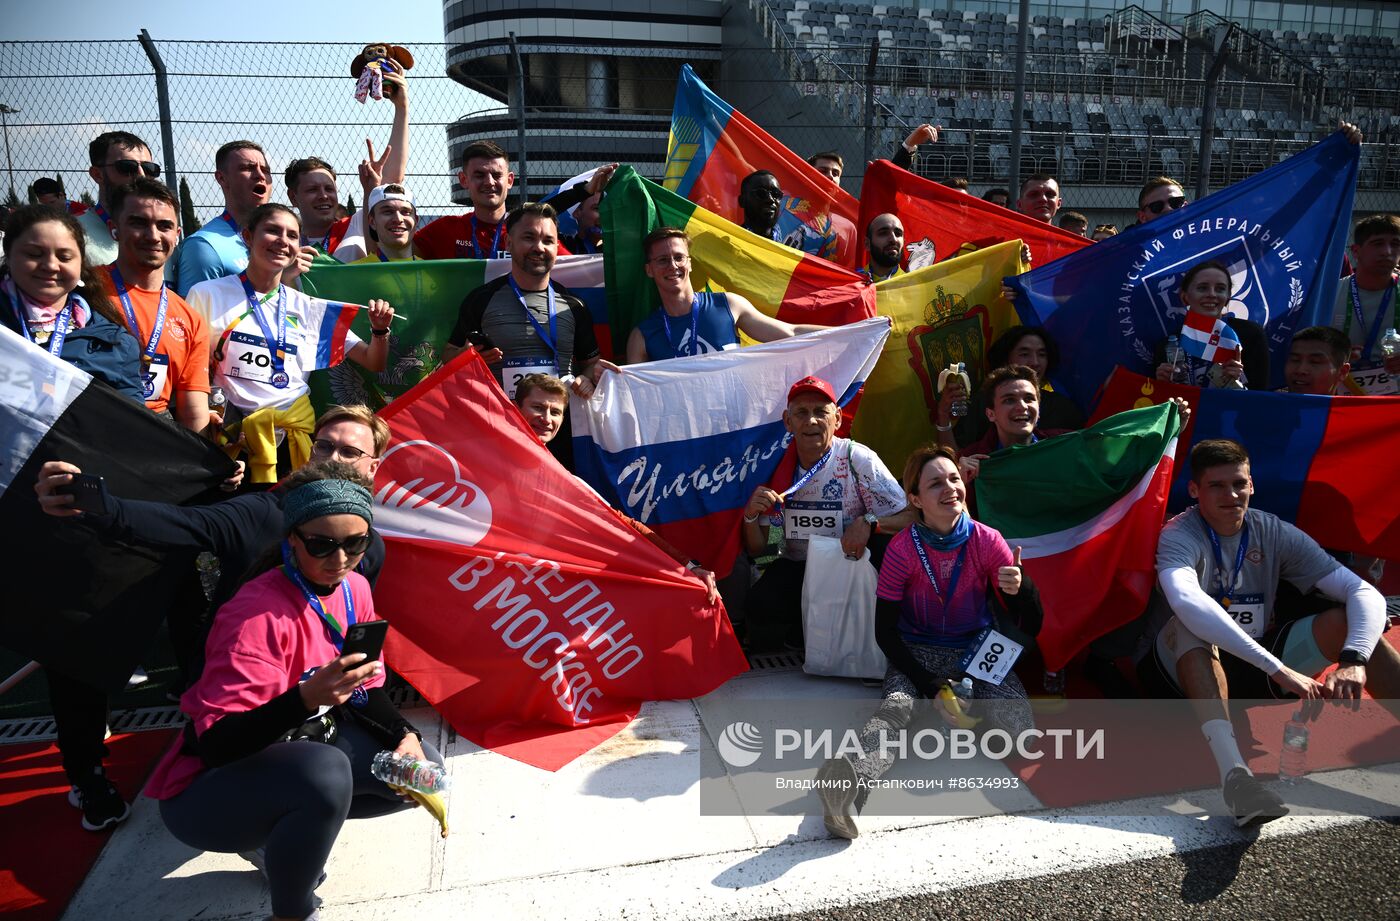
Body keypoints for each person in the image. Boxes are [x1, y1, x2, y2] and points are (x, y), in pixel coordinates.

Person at [144, 470, 443, 921]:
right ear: (292, 540)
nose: (340, 559)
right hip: (206, 794)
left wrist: (405, 733)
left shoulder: (354, 588)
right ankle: (291, 909)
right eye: (321, 544)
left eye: (356, 544)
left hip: (299, 751)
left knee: (423, 774)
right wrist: (303, 698)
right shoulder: (252, 617)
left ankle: (289, 834)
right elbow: (217, 746)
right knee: (325, 774)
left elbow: (363, 688)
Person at [1139, 439, 1395, 827]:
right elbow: (1188, 602)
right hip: (1181, 672)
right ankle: (1237, 780)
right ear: (1195, 490)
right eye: (1217, 486)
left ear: (1252, 485)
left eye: (1239, 484)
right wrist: (1277, 668)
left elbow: (1362, 592)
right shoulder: (1178, 534)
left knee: (1353, 623)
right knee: (1189, 625)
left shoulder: (1272, 530)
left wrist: (1354, 659)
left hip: (1258, 665)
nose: (1231, 495)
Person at [815, 445, 1041, 839]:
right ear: (915, 500)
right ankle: (844, 783)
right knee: (896, 712)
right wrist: (929, 686)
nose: (950, 488)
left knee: (1018, 736)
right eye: (935, 483)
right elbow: (885, 632)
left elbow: (1031, 624)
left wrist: (1024, 589)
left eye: (954, 479)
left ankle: (958, 713)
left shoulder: (988, 541)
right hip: (916, 653)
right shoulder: (902, 550)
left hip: (975, 653)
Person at [187, 203, 393, 483]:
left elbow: (373, 360)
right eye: (272, 231)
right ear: (247, 237)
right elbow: (192, 370)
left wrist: (380, 331)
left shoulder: (308, 306)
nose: (283, 241)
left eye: (292, 235)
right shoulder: (207, 293)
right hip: (233, 436)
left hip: (294, 440)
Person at [740, 376, 916, 650]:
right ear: (788, 422)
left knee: (887, 546)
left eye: (821, 412)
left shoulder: (858, 459)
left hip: (851, 565)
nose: (811, 421)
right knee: (760, 604)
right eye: (801, 413)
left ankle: (881, 633)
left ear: (837, 420)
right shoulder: (776, 468)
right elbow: (764, 551)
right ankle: (804, 629)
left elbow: (911, 517)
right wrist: (751, 516)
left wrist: (870, 522)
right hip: (801, 568)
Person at [511, 372, 719, 601]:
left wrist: (688, 566)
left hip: (523, 594)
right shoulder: (481, 454)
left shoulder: (563, 479)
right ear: (515, 407)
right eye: (538, 407)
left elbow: (621, 523)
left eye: (556, 412)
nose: (547, 418)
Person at [1, 205, 142, 401]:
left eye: (64, 257)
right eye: (34, 254)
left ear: (80, 263)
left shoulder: (115, 342)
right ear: (8, 256)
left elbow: (129, 423)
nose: (50, 265)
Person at [101, 177, 211, 428]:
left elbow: (193, 414)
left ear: (177, 235)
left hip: (157, 438)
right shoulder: (86, 292)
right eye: (138, 223)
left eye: (164, 226)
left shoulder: (189, 318)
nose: (153, 236)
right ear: (114, 228)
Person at [626, 228, 825, 363]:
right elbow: (631, 397)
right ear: (649, 270)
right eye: (662, 260)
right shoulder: (642, 336)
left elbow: (790, 333)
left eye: (679, 257)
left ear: (690, 263)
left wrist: (850, 333)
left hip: (733, 423)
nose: (673, 266)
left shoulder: (728, 305)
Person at [413, 139, 612, 260]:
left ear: (509, 180)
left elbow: (574, 270)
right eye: (479, 175)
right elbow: (392, 251)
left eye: (496, 175)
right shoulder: (444, 230)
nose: (489, 182)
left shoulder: (532, 233)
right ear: (464, 180)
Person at [285, 66, 408, 260]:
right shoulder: (285, 241)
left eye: (329, 188)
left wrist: (401, 108)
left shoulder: (355, 226)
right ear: (293, 197)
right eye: (312, 190)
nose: (324, 196)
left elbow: (392, 181)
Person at [1152, 259, 1269, 390]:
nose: (1212, 294)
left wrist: (1239, 384)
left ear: (1228, 297)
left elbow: (1261, 398)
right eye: (1202, 288)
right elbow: (1161, 404)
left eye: (1220, 289)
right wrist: (1161, 385)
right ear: (1185, 297)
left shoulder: (1250, 334)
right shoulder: (1169, 345)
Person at [175, 140, 273, 296]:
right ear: (221, 178)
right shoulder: (204, 246)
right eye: (247, 168)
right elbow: (194, 316)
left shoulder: (284, 241)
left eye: (266, 170)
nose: (260, 175)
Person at [76, 131, 160, 266]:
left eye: (149, 168)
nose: (141, 176)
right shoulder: (71, 234)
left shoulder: (165, 238)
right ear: (97, 175)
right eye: (127, 167)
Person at [1331, 214, 1400, 376]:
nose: (1387, 252)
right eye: (1377, 244)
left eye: (1395, 244)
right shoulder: (1331, 294)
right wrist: (1337, 354)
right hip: (1342, 391)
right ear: (1356, 251)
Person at [736, 170, 839, 261]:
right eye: (761, 193)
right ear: (742, 201)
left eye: (776, 194)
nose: (770, 199)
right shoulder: (730, 243)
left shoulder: (791, 255)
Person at [347, 184, 422, 265]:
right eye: (388, 212)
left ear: (416, 221)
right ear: (372, 221)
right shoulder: (354, 273)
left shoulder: (432, 271)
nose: (398, 219)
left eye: (406, 212)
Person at [1284, 326, 1352, 396]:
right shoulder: (1272, 405)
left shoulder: (1357, 407)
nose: (1300, 370)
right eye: (1295, 360)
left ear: (1342, 372)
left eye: (1315, 361)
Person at [858, 213, 905, 282]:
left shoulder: (917, 285)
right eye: (883, 233)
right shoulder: (851, 284)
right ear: (867, 244)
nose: (893, 239)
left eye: (898, 234)